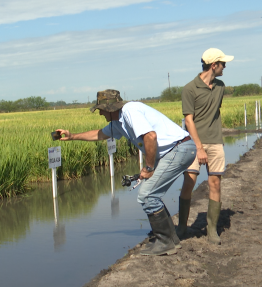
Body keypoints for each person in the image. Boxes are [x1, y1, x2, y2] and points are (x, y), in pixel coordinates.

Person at [56, 89, 196, 256]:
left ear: (110, 108)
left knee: (147, 195)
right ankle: (171, 239)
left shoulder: (130, 111)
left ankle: (165, 242)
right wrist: (72, 136)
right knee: (152, 194)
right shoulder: (118, 122)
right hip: (175, 150)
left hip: (179, 149)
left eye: (100, 109)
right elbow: (100, 134)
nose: (100, 113)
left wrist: (149, 168)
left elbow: (150, 137)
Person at [177, 48, 234, 245]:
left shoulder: (220, 87)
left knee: (215, 183)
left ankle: (211, 230)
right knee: (189, 182)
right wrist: (199, 147)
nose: (225, 66)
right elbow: (189, 121)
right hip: (194, 144)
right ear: (213, 65)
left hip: (216, 141)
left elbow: (213, 112)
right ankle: (182, 227)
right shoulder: (189, 89)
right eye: (223, 63)